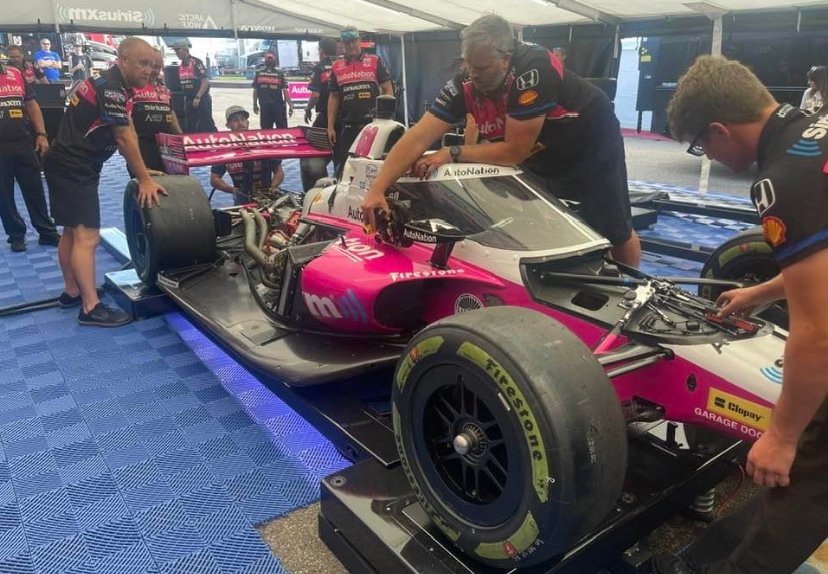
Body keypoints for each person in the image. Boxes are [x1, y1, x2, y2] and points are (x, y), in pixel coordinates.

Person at [651, 55, 828, 574]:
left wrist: (781, 437)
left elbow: (819, 331)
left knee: (808, 473)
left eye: (700, 146)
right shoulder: (814, 134)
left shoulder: (783, 180)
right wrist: (764, 290)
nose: (706, 155)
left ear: (718, 131)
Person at [361, 14, 641, 267]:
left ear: (507, 58)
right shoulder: (466, 81)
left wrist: (451, 152)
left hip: (589, 139)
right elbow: (418, 136)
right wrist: (377, 189)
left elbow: (513, 152)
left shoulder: (533, 68)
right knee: (540, 222)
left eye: (482, 67)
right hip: (541, 143)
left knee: (613, 226)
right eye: (469, 66)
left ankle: (630, 286)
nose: (474, 75)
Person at [43, 37, 165, 327]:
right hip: (74, 167)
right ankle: (90, 307)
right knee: (88, 238)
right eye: (142, 63)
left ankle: (72, 291)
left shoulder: (118, 86)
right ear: (122, 59)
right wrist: (144, 179)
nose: (148, 70)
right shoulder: (111, 88)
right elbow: (123, 138)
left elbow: (128, 130)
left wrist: (142, 170)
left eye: (152, 65)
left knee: (71, 233)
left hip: (69, 163)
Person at [0, 55, 60, 252]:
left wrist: (41, 134)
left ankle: (47, 232)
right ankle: (16, 235)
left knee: (35, 188)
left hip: (23, 142)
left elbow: (32, 105)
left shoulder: (16, 74)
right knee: (4, 195)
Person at [327, 26, 393, 175]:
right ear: (342, 44)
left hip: (373, 125)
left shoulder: (375, 60)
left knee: (373, 166)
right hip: (348, 126)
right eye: (347, 42)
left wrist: (388, 118)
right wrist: (330, 127)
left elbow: (388, 88)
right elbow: (333, 97)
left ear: (359, 41)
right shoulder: (336, 66)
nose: (351, 45)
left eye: (354, 41)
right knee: (346, 168)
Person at [210, 105, 285, 205]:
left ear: (248, 122)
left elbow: (279, 171)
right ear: (228, 125)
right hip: (242, 197)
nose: (240, 123)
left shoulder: (263, 143)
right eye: (235, 120)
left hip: (267, 196)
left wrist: (273, 186)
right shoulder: (224, 148)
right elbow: (214, 178)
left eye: (243, 119)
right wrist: (232, 189)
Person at [130, 48, 183, 173]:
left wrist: (180, 137)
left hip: (166, 145)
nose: (157, 71)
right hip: (142, 146)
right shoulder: (132, 87)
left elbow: (170, 112)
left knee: (174, 180)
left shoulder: (163, 87)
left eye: (160, 67)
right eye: (154, 66)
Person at [300, 37, 337, 191]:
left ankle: (315, 193)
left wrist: (308, 109)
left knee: (309, 158)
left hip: (325, 118)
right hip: (345, 119)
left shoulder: (320, 68)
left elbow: (315, 95)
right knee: (340, 158)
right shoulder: (342, 65)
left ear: (321, 51)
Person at [172, 39, 217, 133]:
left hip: (201, 98)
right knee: (190, 126)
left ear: (186, 49)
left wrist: (198, 97)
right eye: (175, 51)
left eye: (178, 50)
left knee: (207, 124)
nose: (176, 53)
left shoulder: (196, 62)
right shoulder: (180, 66)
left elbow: (205, 81)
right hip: (189, 100)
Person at [252, 52, 293, 130]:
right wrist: (290, 105)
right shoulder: (280, 74)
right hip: (278, 107)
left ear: (265, 62)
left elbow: (255, 90)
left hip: (264, 106)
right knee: (282, 131)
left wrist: (254, 104)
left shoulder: (259, 73)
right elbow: (285, 91)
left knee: (266, 131)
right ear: (275, 62)